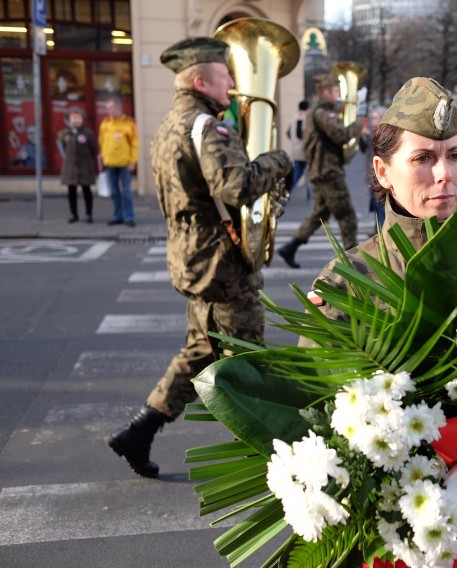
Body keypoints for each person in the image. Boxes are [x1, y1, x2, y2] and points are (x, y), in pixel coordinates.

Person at [106, 37, 292, 478]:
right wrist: (279, 160)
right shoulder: (208, 126)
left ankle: (140, 430)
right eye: (225, 75)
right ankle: (274, 459)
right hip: (220, 264)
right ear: (198, 79)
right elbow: (236, 185)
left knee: (199, 350)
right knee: (251, 360)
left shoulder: (169, 124)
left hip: (191, 256)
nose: (232, 81)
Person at [308, 76, 457, 323]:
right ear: (383, 172)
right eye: (422, 158)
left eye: (455, 155)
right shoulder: (347, 282)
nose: (444, 174)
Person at [277, 73, 364, 268]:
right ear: (325, 92)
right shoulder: (322, 114)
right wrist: (358, 126)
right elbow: (340, 135)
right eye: (335, 91)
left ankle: (291, 247)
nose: (338, 95)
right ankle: (353, 260)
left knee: (321, 215)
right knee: (346, 215)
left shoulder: (318, 113)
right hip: (328, 172)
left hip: (320, 171)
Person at [99, 96, 139, 227]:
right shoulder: (105, 124)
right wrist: (103, 157)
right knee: (114, 192)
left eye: (111, 108)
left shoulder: (129, 124)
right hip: (110, 163)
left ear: (119, 108)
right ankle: (118, 216)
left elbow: (135, 144)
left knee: (127, 192)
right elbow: (102, 142)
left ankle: (129, 217)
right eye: (107, 109)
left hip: (124, 164)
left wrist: (132, 161)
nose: (109, 111)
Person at [57, 107, 98, 223]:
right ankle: (74, 214)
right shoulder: (65, 134)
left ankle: (89, 214)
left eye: (78, 117)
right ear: (68, 119)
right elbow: (62, 147)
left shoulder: (88, 134)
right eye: (73, 117)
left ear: (83, 119)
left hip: (85, 166)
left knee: (87, 191)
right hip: (70, 168)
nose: (75, 120)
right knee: (71, 192)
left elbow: (94, 149)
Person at [359, 106, 387, 230]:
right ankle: (377, 231)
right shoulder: (372, 133)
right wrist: (361, 137)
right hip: (372, 175)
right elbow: (364, 149)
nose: (372, 121)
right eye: (372, 118)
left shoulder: (382, 134)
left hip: (378, 176)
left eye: (375, 118)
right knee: (377, 206)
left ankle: (382, 232)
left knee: (380, 206)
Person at [287, 99, 310, 199]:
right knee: (301, 173)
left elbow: (288, 133)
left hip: (296, 150)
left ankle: (308, 193)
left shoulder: (293, 118)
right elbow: (301, 134)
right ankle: (287, 191)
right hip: (304, 151)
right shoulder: (304, 118)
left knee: (298, 172)